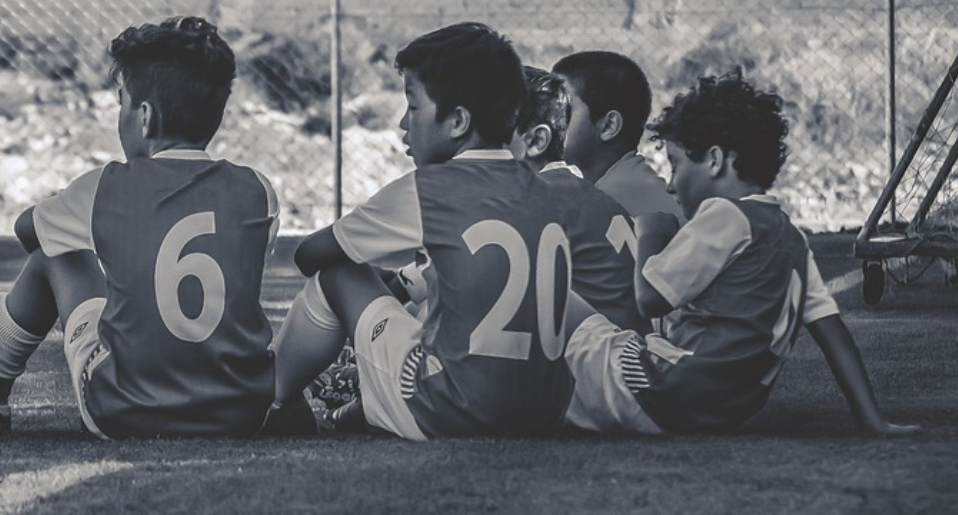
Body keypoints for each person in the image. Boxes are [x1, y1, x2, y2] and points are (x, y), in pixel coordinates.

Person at [0, 16, 280, 439]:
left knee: (56, 255)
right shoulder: (258, 190)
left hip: (125, 410)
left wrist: (86, 225)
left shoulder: (104, 187)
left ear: (144, 116)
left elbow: (27, 229)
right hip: (242, 413)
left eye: (121, 103)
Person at [563, 70, 914, 436]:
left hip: (656, 392)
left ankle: (518, 396)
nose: (669, 183)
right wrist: (872, 420)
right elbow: (833, 333)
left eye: (676, 164)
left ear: (714, 160)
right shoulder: (792, 239)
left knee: (556, 296)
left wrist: (649, 231)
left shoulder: (726, 215)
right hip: (719, 412)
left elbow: (649, 299)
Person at [270, 23, 575, 439]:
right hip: (547, 413)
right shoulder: (549, 193)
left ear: (458, 122)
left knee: (339, 276)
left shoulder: (429, 190)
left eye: (412, 107)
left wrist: (369, 269)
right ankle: (351, 412)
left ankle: (270, 400)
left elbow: (310, 255)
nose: (401, 123)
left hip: (452, 411)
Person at [515, 67, 648, 333]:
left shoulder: (536, 199)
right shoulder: (582, 193)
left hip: (600, 362)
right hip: (630, 352)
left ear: (537, 141)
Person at [552, 50, 685, 222]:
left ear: (609, 126)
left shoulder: (605, 203)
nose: (549, 119)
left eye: (562, 110)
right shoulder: (632, 181)